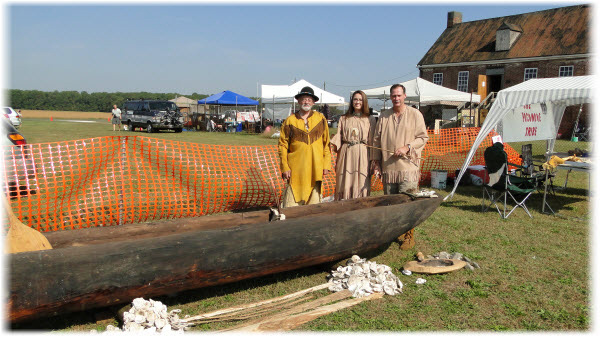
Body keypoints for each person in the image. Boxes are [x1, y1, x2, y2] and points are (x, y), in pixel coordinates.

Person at [371, 84, 428, 250]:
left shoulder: (415, 114)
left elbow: (423, 137)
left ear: (404, 96)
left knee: (408, 203)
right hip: (389, 169)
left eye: (399, 95)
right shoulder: (383, 116)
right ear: (390, 97)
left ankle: (409, 235)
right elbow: (376, 141)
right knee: (391, 204)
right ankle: (396, 232)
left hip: (408, 168)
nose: (396, 98)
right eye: (393, 96)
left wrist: (407, 147)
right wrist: (376, 164)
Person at [278, 86, 331, 207]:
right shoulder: (290, 121)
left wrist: (326, 164)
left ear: (313, 102)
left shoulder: (320, 119)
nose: (306, 101)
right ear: (298, 101)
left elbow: (326, 143)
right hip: (296, 169)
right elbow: (282, 145)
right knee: (291, 206)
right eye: (303, 99)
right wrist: (285, 166)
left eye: (309, 99)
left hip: (315, 168)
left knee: (314, 208)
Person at [330, 90, 376, 200]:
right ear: (352, 101)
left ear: (364, 101)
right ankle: (343, 205)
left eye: (360, 99)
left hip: (363, 154)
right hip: (346, 153)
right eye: (355, 99)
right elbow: (338, 137)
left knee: (360, 180)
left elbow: (373, 141)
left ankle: (360, 206)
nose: (357, 102)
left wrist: (374, 161)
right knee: (344, 180)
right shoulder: (343, 118)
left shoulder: (370, 119)